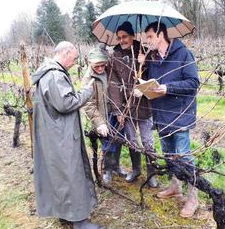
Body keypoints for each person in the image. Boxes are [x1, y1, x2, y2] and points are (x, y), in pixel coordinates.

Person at [32, 41, 105, 229]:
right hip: (61, 137)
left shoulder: (48, 72)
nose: (74, 62)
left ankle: (65, 214)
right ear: (64, 53)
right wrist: (87, 91)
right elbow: (66, 104)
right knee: (70, 175)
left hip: (54, 133)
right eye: (73, 58)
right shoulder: (55, 75)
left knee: (59, 176)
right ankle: (80, 222)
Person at [138, 22, 200, 218]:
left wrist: (167, 88)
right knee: (169, 155)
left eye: (149, 37)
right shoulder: (153, 59)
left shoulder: (183, 54)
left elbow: (193, 83)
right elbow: (150, 84)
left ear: (160, 35)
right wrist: (141, 68)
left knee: (184, 156)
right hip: (162, 114)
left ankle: (193, 198)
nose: (147, 41)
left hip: (180, 114)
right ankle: (175, 187)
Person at [108, 21, 158, 188]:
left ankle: (152, 173)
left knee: (148, 141)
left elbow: (155, 77)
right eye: (119, 38)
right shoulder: (114, 56)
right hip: (126, 107)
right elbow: (113, 86)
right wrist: (118, 110)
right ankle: (136, 169)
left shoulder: (146, 52)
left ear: (132, 36)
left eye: (125, 37)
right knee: (131, 140)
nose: (122, 40)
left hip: (144, 106)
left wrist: (145, 62)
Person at [82, 47, 126, 183]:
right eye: (97, 65)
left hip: (115, 112)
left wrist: (120, 111)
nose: (101, 68)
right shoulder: (88, 79)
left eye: (103, 64)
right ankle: (107, 169)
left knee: (118, 139)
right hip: (102, 115)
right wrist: (100, 123)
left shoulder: (110, 71)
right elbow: (88, 104)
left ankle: (116, 166)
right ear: (90, 63)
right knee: (107, 143)